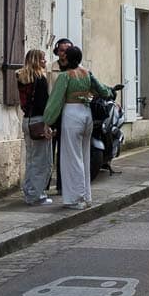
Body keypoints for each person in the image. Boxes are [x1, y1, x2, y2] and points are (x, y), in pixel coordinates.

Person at [43, 45, 111, 210]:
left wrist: (48, 121)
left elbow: (55, 101)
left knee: (71, 158)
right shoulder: (87, 73)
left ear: (66, 59)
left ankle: (75, 198)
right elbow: (103, 91)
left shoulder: (65, 76)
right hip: (86, 114)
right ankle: (86, 196)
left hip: (72, 114)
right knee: (84, 155)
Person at [16, 49, 54, 206]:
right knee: (42, 160)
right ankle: (36, 195)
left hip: (27, 120)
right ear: (36, 60)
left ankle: (29, 191)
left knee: (31, 159)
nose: (45, 61)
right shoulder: (40, 78)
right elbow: (43, 103)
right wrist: (48, 123)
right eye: (43, 58)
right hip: (39, 121)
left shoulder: (22, 77)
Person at [49, 38, 73, 194]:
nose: (64, 53)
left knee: (65, 153)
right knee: (48, 152)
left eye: (67, 50)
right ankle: (44, 185)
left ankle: (62, 186)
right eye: (62, 50)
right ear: (57, 51)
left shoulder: (76, 69)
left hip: (70, 114)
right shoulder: (50, 69)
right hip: (53, 114)